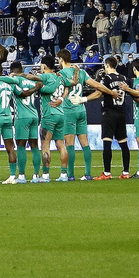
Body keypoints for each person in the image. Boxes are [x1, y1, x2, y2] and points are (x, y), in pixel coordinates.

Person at [56, 49, 96, 180]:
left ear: (61, 59)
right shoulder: (82, 72)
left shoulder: (60, 74)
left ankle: (71, 174)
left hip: (69, 111)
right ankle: (88, 173)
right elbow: (94, 85)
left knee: (70, 143)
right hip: (81, 109)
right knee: (85, 143)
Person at [3, 61, 45, 183]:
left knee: (21, 146)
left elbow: (20, 94)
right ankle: (36, 175)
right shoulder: (31, 80)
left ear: (12, 71)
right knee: (34, 146)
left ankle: (21, 176)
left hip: (22, 116)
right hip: (34, 115)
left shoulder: (16, 80)